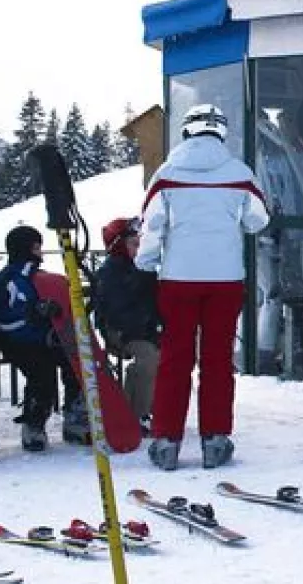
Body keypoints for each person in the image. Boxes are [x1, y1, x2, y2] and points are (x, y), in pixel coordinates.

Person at [136, 104, 270, 470]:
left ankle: (167, 440)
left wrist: (146, 261)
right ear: (221, 133)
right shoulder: (239, 173)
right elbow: (258, 220)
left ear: (186, 131)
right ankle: (215, 438)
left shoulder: (166, 174)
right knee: (217, 359)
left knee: (175, 358)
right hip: (226, 278)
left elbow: (152, 226)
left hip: (178, 278)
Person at [0, 225, 86, 451]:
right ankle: (34, 423)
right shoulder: (12, 278)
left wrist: (52, 324)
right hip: (18, 342)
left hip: (40, 338)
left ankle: (75, 416)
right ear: (30, 248)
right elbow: (1, 318)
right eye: (38, 247)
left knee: (74, 360)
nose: (41, 252)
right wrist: (34, 314)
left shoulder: (36, 277)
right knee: (42, 373)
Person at [94, 216, 161, 426]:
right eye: (134, 244)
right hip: (122, 332)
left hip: (144, 329)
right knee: (149, 357)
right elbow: (117, 312)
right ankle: (140, 412)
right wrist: (149, 327)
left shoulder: (141, 268)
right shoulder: (111, 273)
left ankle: (142, 405)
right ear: (119, 246)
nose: (139, 248)